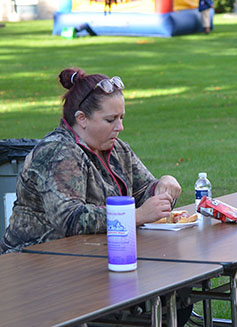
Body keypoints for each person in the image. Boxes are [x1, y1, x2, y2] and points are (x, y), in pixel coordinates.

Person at [0, 67, 182, 254]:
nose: (120, 127)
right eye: (110, 120)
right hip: (33, 260)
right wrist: (135, 216)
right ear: (82, 119)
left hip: (90, 253)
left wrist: (162, 187)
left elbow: (143, 193)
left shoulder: (118, 149)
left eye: (121, 118)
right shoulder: (58, 152)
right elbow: (70, 219)